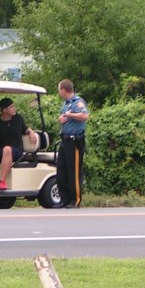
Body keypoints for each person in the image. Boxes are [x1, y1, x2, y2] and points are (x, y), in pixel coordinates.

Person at [56, 79, 89, 208]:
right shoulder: (65, 104)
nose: (59, 93)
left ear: (64, 90)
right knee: (61, 171)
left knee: (73, 172)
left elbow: (84, 116)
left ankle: (75, 200)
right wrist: (61, 119)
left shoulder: (77, 102)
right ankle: (64, 199)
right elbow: (64, 116)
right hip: (64, 140)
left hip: (75, 141)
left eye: (59, 90)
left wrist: (71, 115)